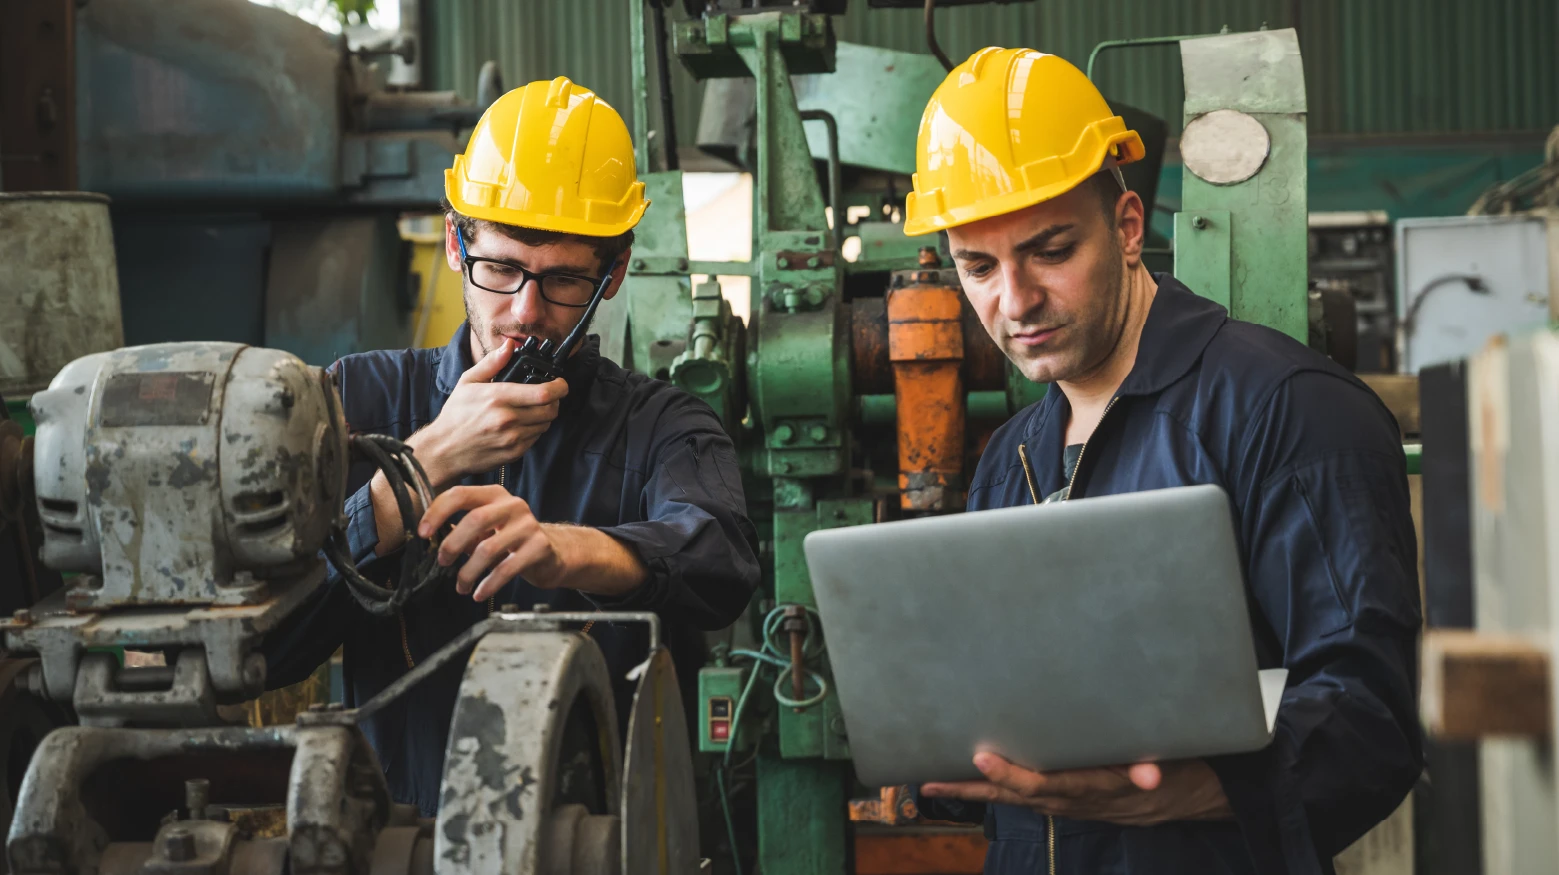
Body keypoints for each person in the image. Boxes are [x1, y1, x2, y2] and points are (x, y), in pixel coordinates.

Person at [904, 48, 1422, 874]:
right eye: (978, 267)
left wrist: (1188, 786)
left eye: (1049, 250)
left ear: (1129, 227)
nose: (1015, 300)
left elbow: (1370, 721)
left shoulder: (1286, 410)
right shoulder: (1011, 460)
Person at [262, 77, 760, 816]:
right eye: (501, 267)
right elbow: (271, 640)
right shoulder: (357, 402)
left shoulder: (662, 425)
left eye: (562, 280)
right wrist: (426, 461)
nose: (525, 311)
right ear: (458, 242)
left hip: (600, 850)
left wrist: (571, 550)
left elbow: (720, 560)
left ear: (613, 273)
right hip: (401, 847)